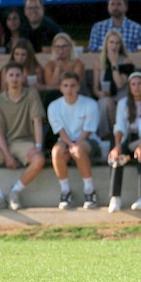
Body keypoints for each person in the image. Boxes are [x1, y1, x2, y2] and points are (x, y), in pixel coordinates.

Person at [0, 62, 45, 212]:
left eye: (18, 75)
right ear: (5, 78)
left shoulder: (31, 94)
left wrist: (38, 147)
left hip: (25, 143)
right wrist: (7, 156)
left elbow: (37, 121)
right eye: (11, 75)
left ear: (23, 77)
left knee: (39, 160)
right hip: (4, 144)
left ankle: (14, 192)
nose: (14, 79)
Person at [108, 72, 141, 213]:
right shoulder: (123, 103)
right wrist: (117, 146)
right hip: (129, 140)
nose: (136, 87)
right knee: (118, 158)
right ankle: (115, 197)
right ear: (129, 87)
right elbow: (119, 126)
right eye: (133, 84)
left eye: (139, 84)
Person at [47, 72, 101, 210]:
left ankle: (89, 190)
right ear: (60, 88)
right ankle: (65, 191)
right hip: (66, 141)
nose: (69, 89)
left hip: (88, 141)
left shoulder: (90, 104)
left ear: (78, 87)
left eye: (72, 85)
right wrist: (70, 145)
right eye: (65, 86)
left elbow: (88, 130)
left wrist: (74, 146)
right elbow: (61, 131)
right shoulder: (54, 106)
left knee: (78, 150)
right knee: (56, 151)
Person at [92, 30, 134, 140]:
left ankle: (116, 137)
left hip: (122, 96)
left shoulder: (126, 61)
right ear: (106, 44)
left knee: (112, 104)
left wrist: (114, 63)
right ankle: (105, 136)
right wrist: (100, 93)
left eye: (117, 43)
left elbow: (120, 84)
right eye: (111, 42)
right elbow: (95, 88)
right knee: (105, 102)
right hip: (106, 96)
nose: (114, 46)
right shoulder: (98, 62)